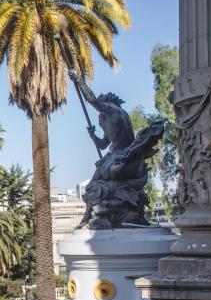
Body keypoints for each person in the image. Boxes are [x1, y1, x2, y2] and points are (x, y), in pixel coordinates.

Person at [69, 71, 163, 229]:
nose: (100, 117)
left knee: (98, 184)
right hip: (114, 156)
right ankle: (95, 213)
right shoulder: (115, 117)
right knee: (92, 185)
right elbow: (103, 145)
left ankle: (100, 213)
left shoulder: (113, 111)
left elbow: (92, 100)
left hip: (123, 156)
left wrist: (79, 81)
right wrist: (93, 136)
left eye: (101, 112)